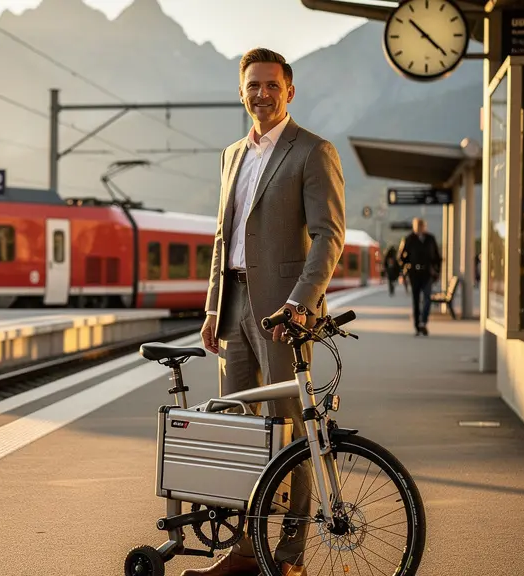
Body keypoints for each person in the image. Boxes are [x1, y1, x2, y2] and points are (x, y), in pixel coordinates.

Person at [194, 47, 346, 576]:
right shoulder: (231, 153)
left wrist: (300, 303)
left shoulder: (312, 151)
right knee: (238, 428)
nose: (262, 93)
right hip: (232, 303)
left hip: (283, 311)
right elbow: (222, 237)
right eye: (252, 85)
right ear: (242, 91)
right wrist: (213, 306)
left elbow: (329, 237)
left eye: (271, 85)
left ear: (289, 91)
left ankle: (287, 555)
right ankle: (241, 550)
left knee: (290, 427)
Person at [397, 217, 442, 336]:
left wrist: (437, 270)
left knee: (427, 297)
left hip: (427, 273)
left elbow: (437, 256)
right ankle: (417, 326)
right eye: (417, 226)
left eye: (421, 226)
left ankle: (423, 321)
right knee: (416, 300)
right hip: (414, 273)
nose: (419, 228)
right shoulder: (409, 239)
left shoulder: (430, 239)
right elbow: (401, 257)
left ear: (424, 227)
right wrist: (408, 264)